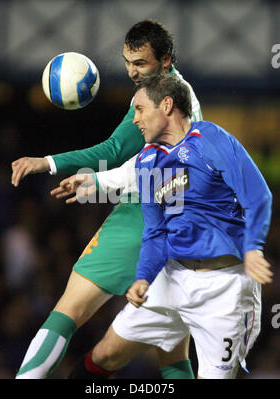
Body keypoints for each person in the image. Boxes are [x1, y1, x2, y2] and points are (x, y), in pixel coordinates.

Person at [12, 20, 202, 379]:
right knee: (172, 352)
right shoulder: (179, 92)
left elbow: (115, 151)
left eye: (140, 64)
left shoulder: (163, 99)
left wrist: (47, 162)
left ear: (165, 61)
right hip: (186, 229)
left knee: (68, 311)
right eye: (127, 62)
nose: (132, 72)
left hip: (143, 217)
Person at [60, 74, 273, 379]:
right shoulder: (148, 161)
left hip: (225, 290)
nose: (135, 120)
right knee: (106, 353)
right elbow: (155, 232)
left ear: (167, 106)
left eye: (140, 109)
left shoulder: (210, 138)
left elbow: (258, 194)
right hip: (171, 279)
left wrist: (252, 247)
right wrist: (144, 277)